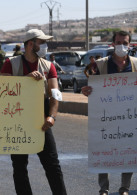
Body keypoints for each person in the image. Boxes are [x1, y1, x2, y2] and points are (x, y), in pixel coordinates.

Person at [1, 29, 67, 195]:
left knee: (52, 164)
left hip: (41, 118)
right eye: (42, 42)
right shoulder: (10, 63)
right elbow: (2, 91)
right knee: (19, 166)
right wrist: (26, 81)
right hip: (17, 119)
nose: (45, 46)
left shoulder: (48, 66)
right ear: (31, 44)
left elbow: (54, 94)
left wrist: (51, 116)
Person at [82, 30, 137, 195]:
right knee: (103, 147)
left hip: (129, 117)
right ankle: (103, 188)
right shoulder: (100, 65)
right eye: (118, 43)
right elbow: (90, 85)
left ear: (130, 44)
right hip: (105, 116)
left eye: (125, 43)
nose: (122, 46)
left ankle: (124, 188)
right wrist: (86, 90)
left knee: (129, 148)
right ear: (113, 44)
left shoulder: (135, 64)